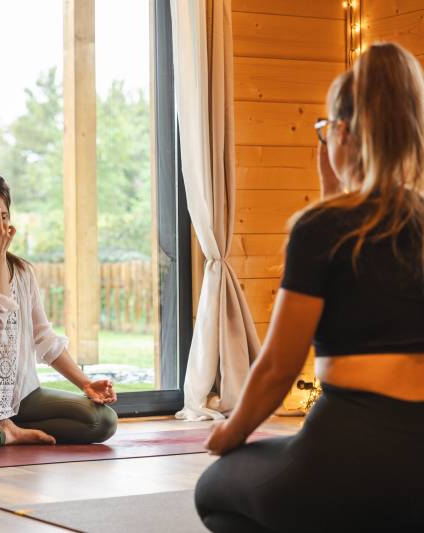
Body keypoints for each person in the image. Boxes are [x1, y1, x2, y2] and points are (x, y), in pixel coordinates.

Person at [194, 42, 424, 532]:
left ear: (340, 132)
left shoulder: (321, 228)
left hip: (351, 444)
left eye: (324, 130)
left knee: (213, 492)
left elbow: (278, 365)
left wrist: (232, 432)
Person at [0, 172, 118, 453]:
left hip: (19, 396)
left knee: (102, 422)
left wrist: (86, 383)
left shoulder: (23, 271)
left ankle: (10, 426)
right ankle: (7, 435)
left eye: (1, 217)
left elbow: (43, 337)